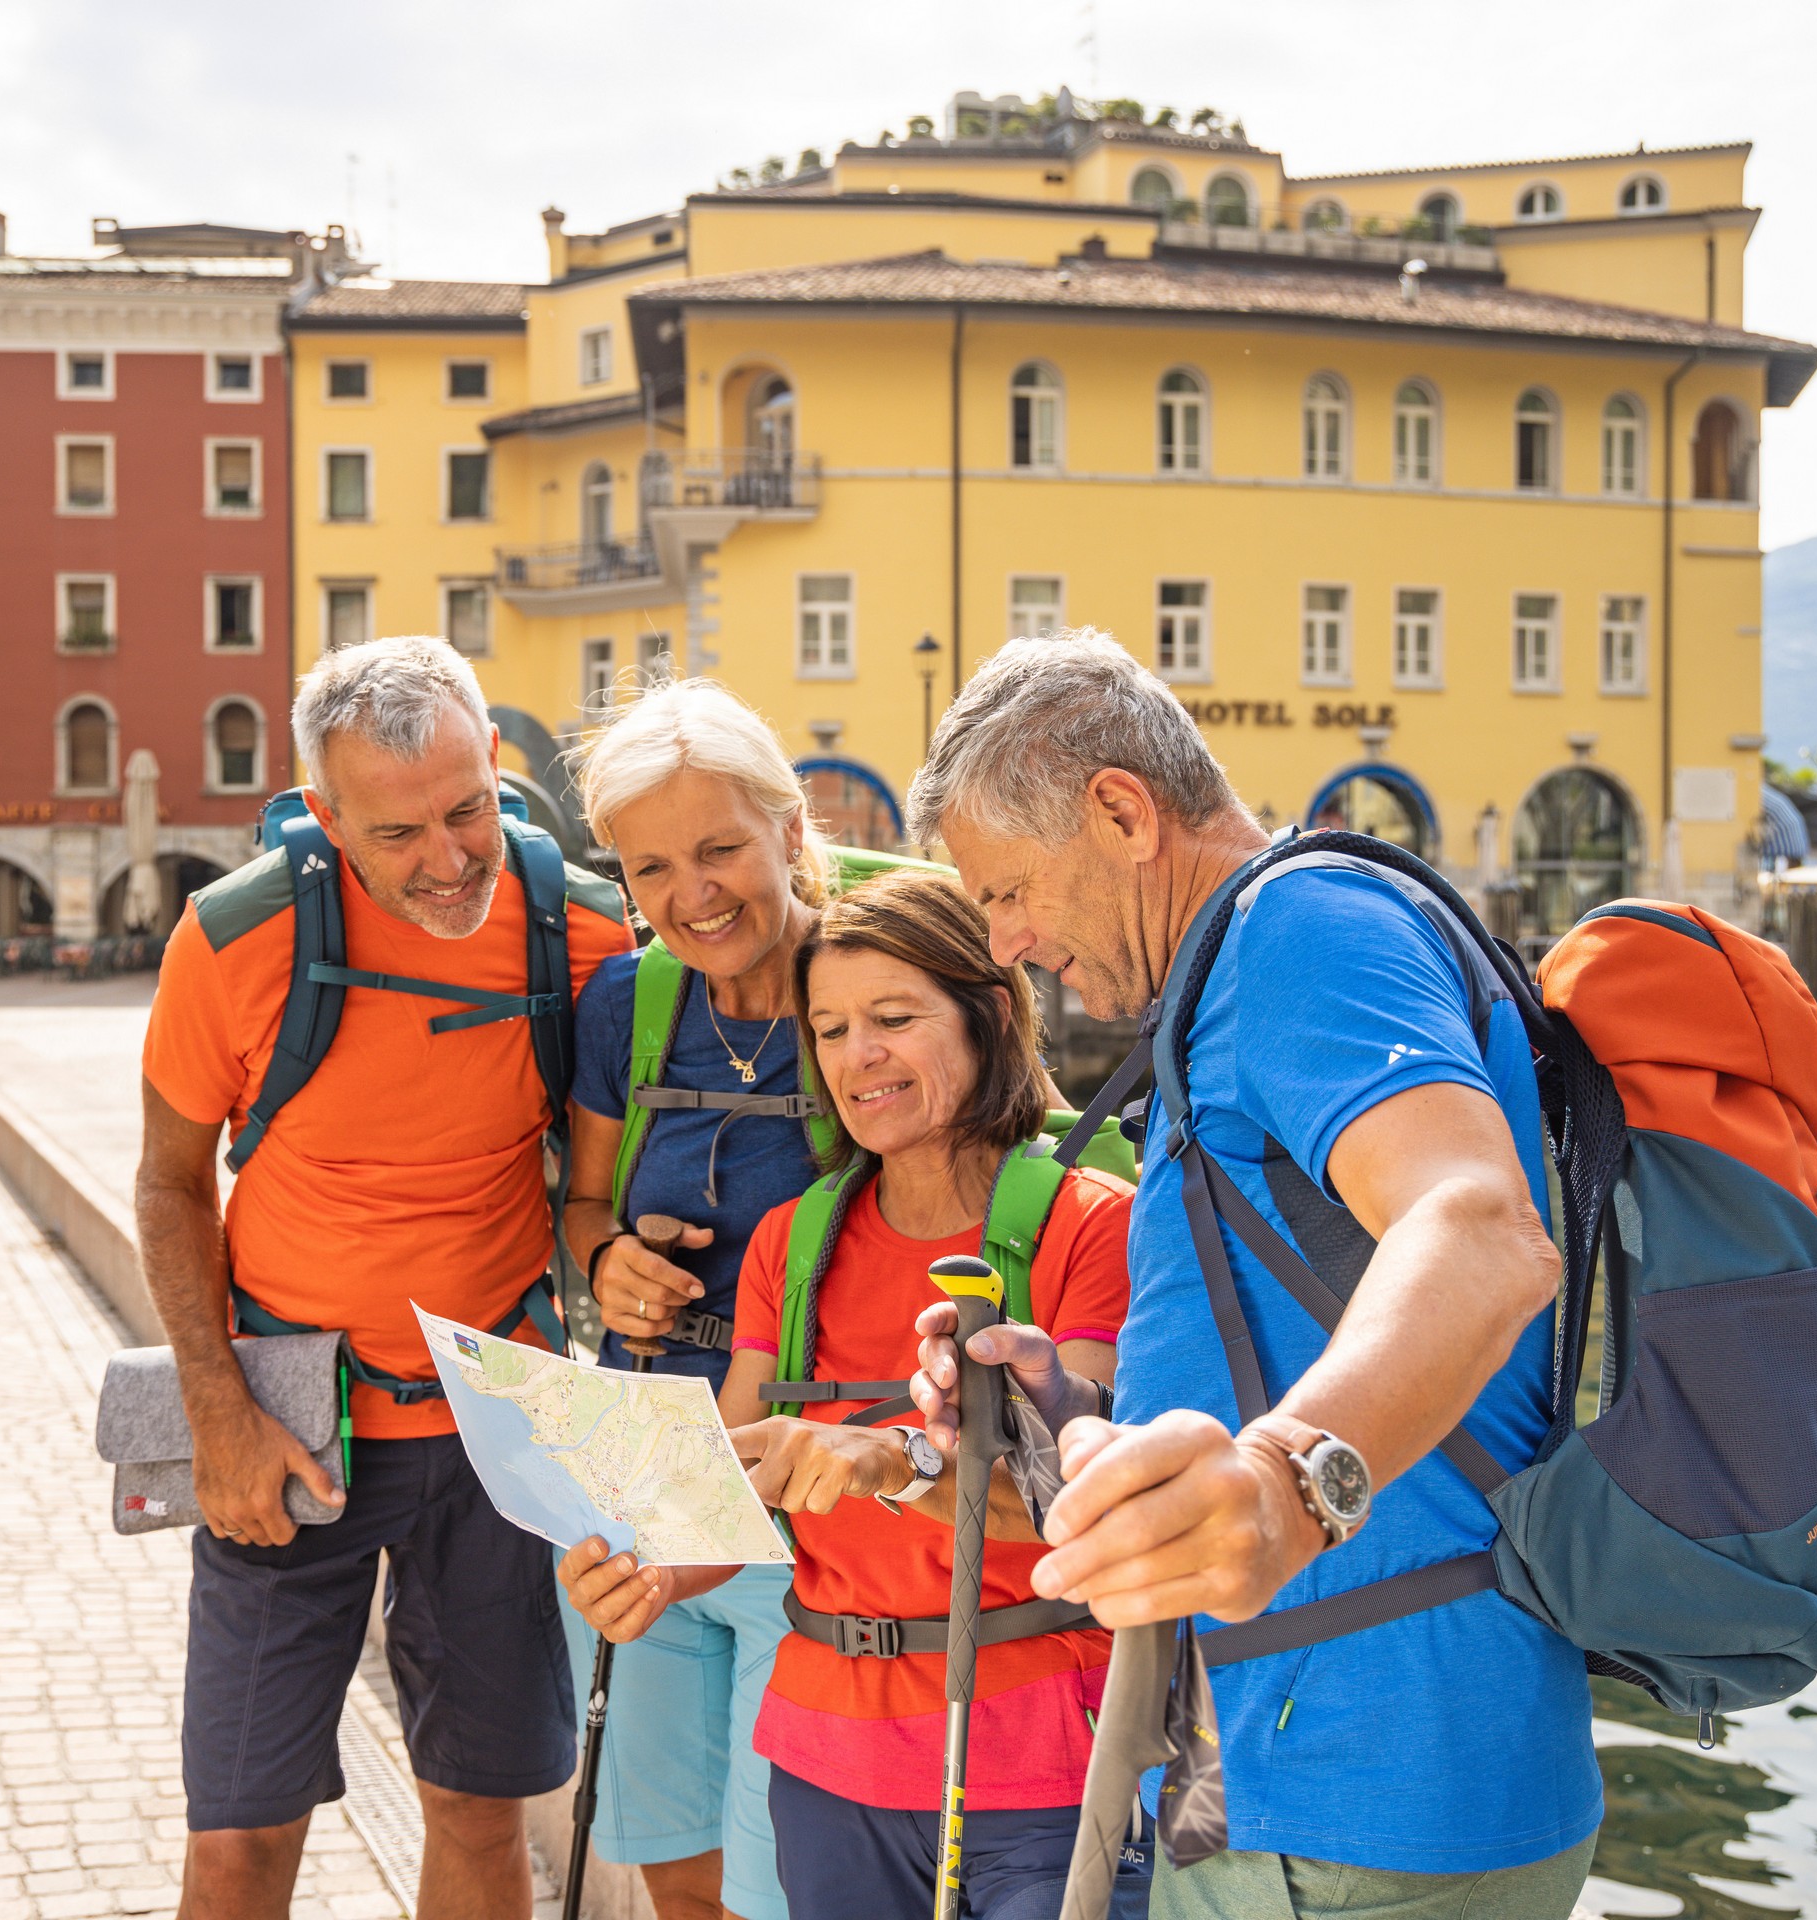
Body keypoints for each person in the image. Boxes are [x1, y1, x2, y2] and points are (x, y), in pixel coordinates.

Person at [907, 631, 1598, 1919]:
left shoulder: (1298, 931)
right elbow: (1276, 1325)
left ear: (1120, 811)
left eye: (1007, 892)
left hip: (1369, 1790)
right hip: (1312, 1772)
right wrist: (1061, 1392)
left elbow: (1483, 1227)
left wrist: (1289, 1485)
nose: (1004, 944)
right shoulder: (1237, 967)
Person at [135, 637, 634, 1920]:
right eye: (400, 831)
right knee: (238, 1842)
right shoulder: (233, 939)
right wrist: (216, 1415)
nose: (450, 857)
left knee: (480, 1820)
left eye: (469, 808)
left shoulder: (574, 927)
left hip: (496, 1423)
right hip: (288, 1422)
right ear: (324, 812)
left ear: (497, 769)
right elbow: (170, 1184)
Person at [561, 870, 1143, 1920]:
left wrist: (898, 1463)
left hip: (1040, 1765)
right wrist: (642, 1571)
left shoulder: (1092, 1224)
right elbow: (724, 1498)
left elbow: (1087, 1509)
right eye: (827, 1028)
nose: (854, 1056)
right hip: (827, 1769)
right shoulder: (792, 1238)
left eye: (892, 1018)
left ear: (992, 1016)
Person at [557, 680, 825, 1920]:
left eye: (720, 848)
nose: (692, 893)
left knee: (788, 1878)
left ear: (789, 825)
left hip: (802, 1480)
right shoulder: (626, 1003)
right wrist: (608, 1260)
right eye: (651, 866)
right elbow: (583, 1207)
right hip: (639, 1462)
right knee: (674, 1861)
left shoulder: (875, 988)